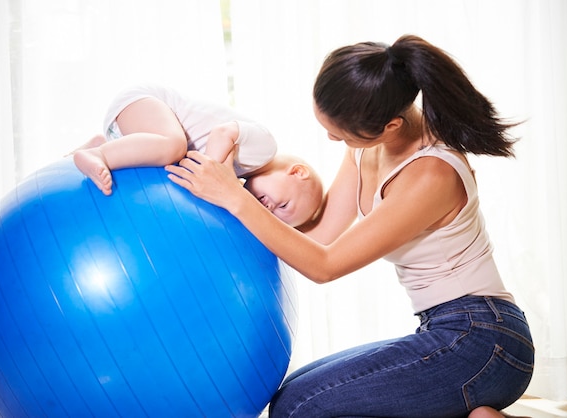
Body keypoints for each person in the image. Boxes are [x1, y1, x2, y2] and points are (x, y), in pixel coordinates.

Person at [166, 34, 534, 418]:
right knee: (288, 394)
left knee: (299, 408)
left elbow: (325, 265)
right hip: (444, 330)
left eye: (339, 133)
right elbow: (322, 234)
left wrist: (235, 199)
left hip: (485, 340)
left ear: (390, 125)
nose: (332, 138)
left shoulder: (431, 174)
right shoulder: (366, 147)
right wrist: (228, 214)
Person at [72, 84, 323, 228]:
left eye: (274, 215)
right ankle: (99, 153)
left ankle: (106, 143)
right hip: (146, 103)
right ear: (297, 172)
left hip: (136, 127)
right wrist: (210, 173)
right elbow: (222, 132)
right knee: (173, 147)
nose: (269, 209)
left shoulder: (241, 173)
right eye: (283, 205)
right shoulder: (265, 149)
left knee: (166, 161)